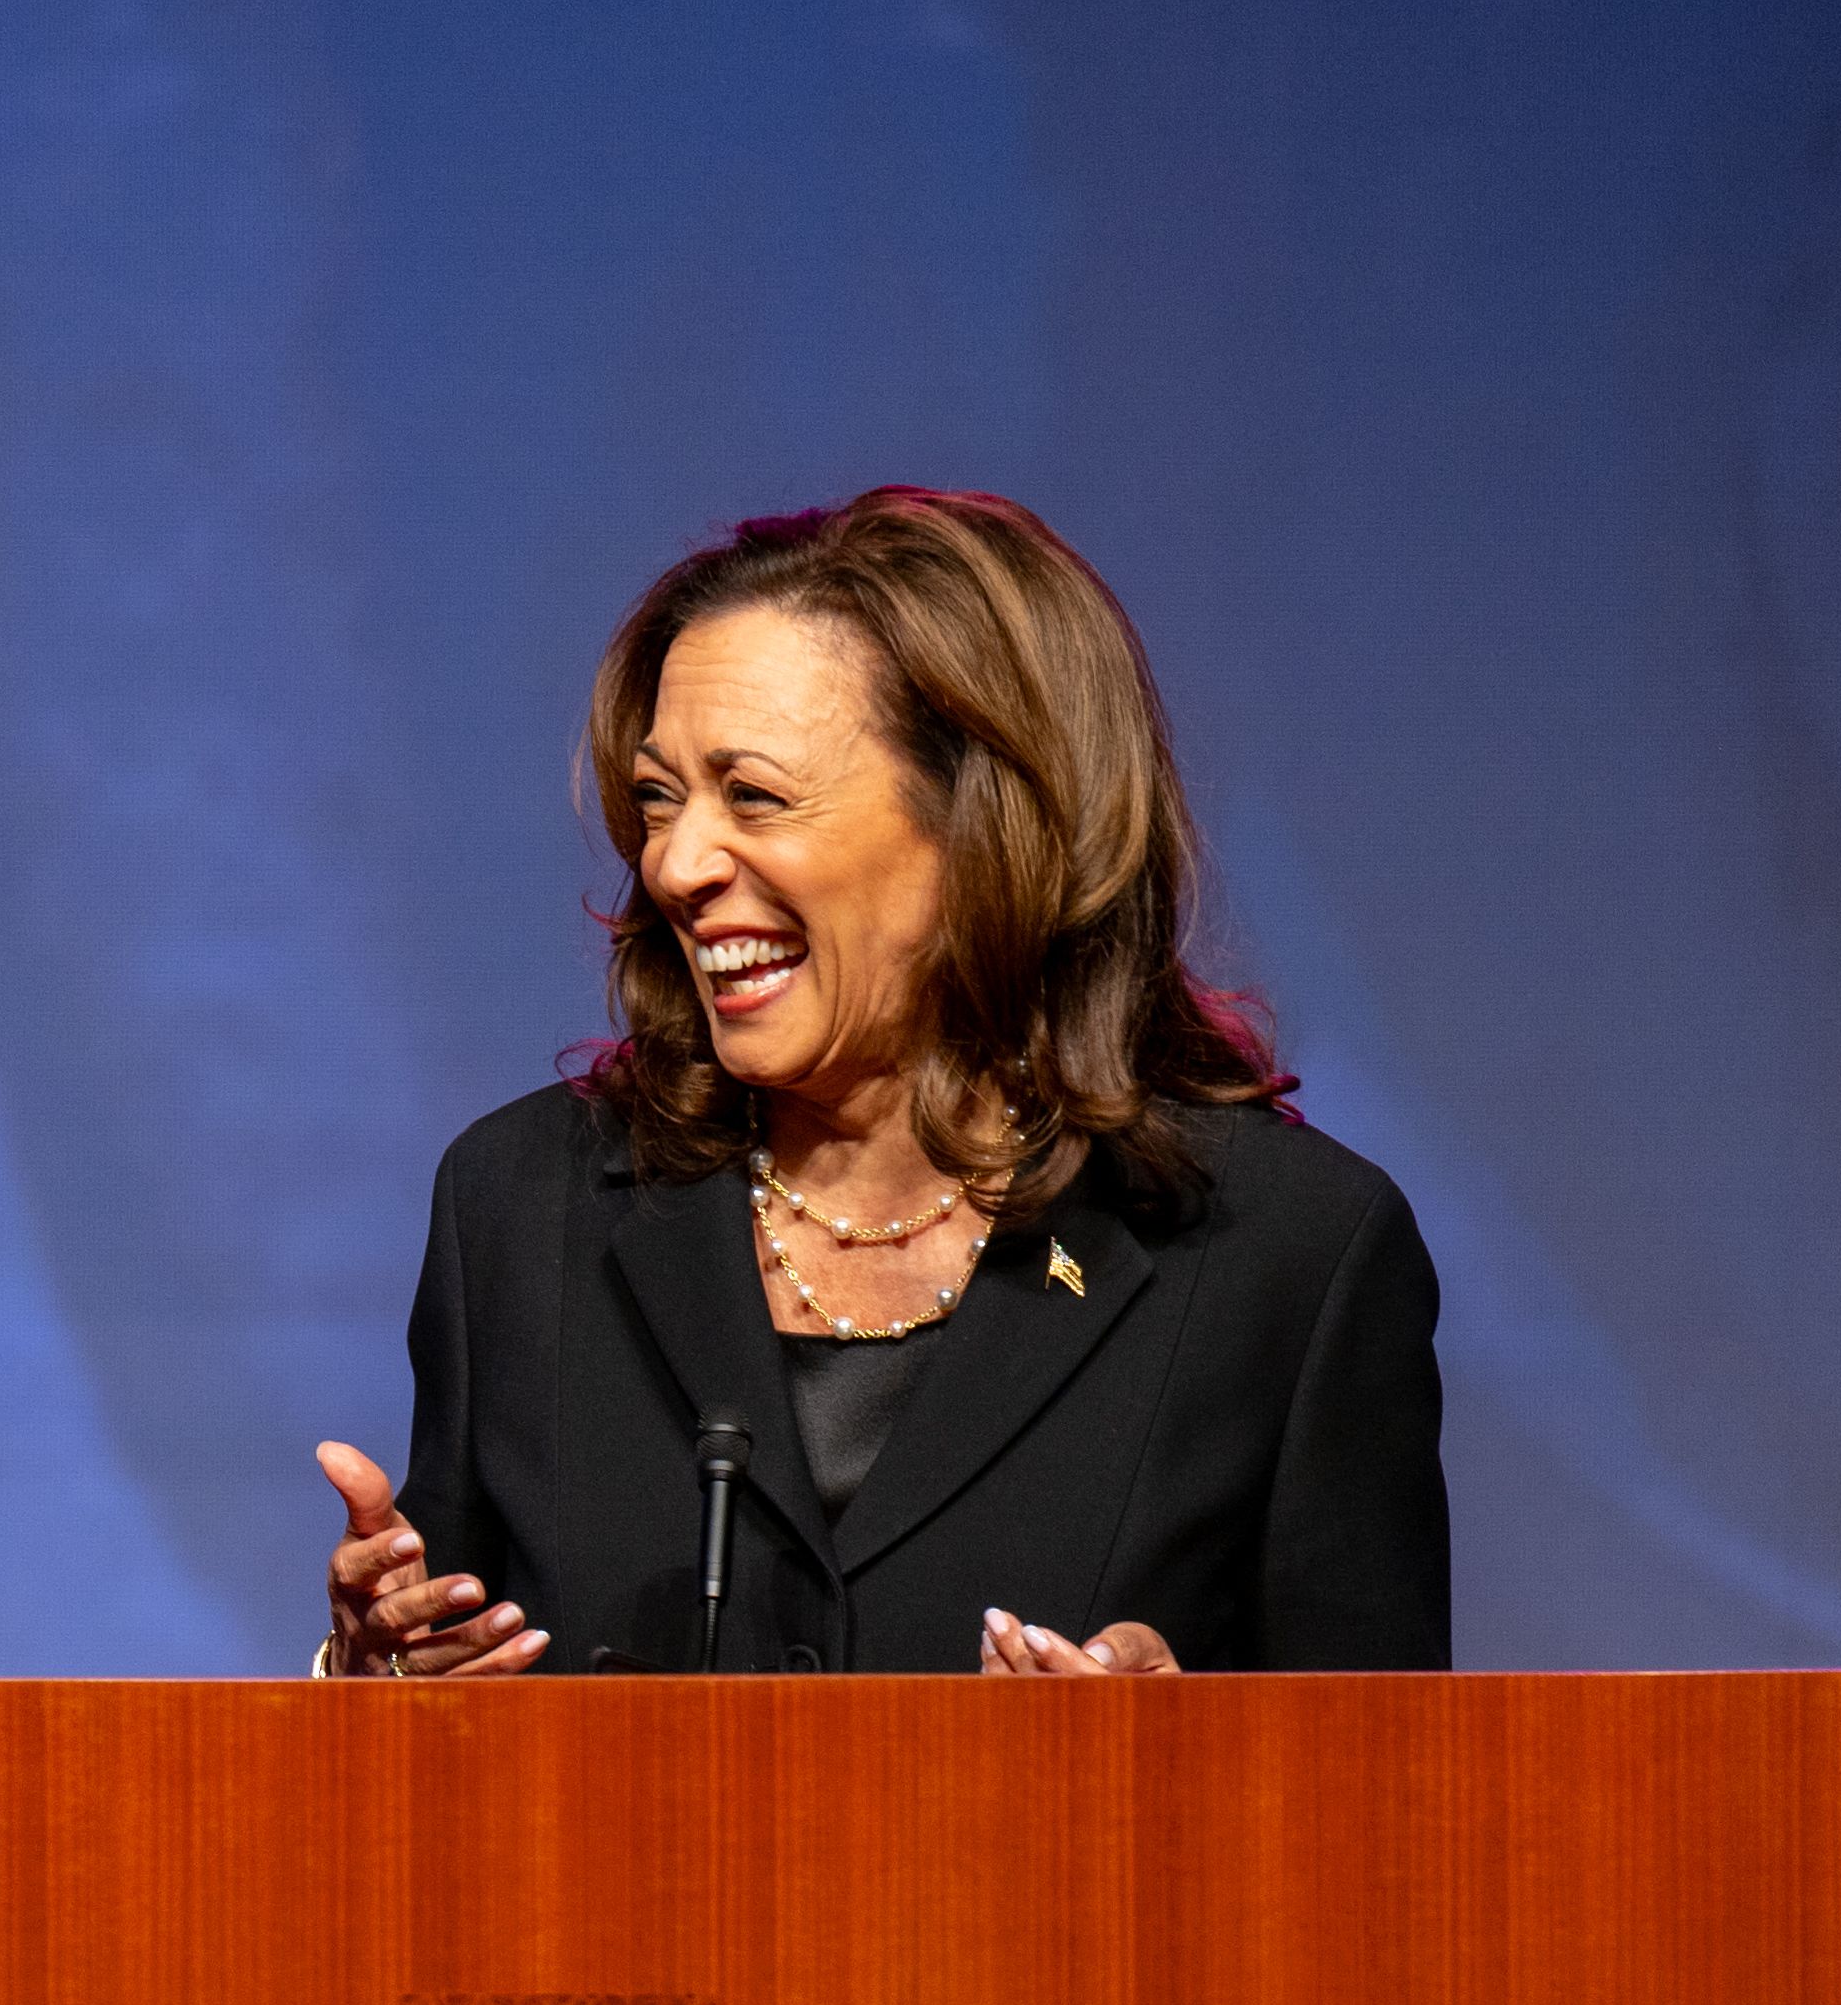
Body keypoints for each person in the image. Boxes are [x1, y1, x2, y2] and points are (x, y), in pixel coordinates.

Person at [316, 487, 1446, 1680]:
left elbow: (1388, 1823)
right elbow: (436, 1750)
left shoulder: (1286, 1256)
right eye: (659, 798)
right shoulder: (524, 1208)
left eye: (752, 795)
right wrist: (378, 1685)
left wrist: (1190, 1772)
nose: (676, 863)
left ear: (983, 820)